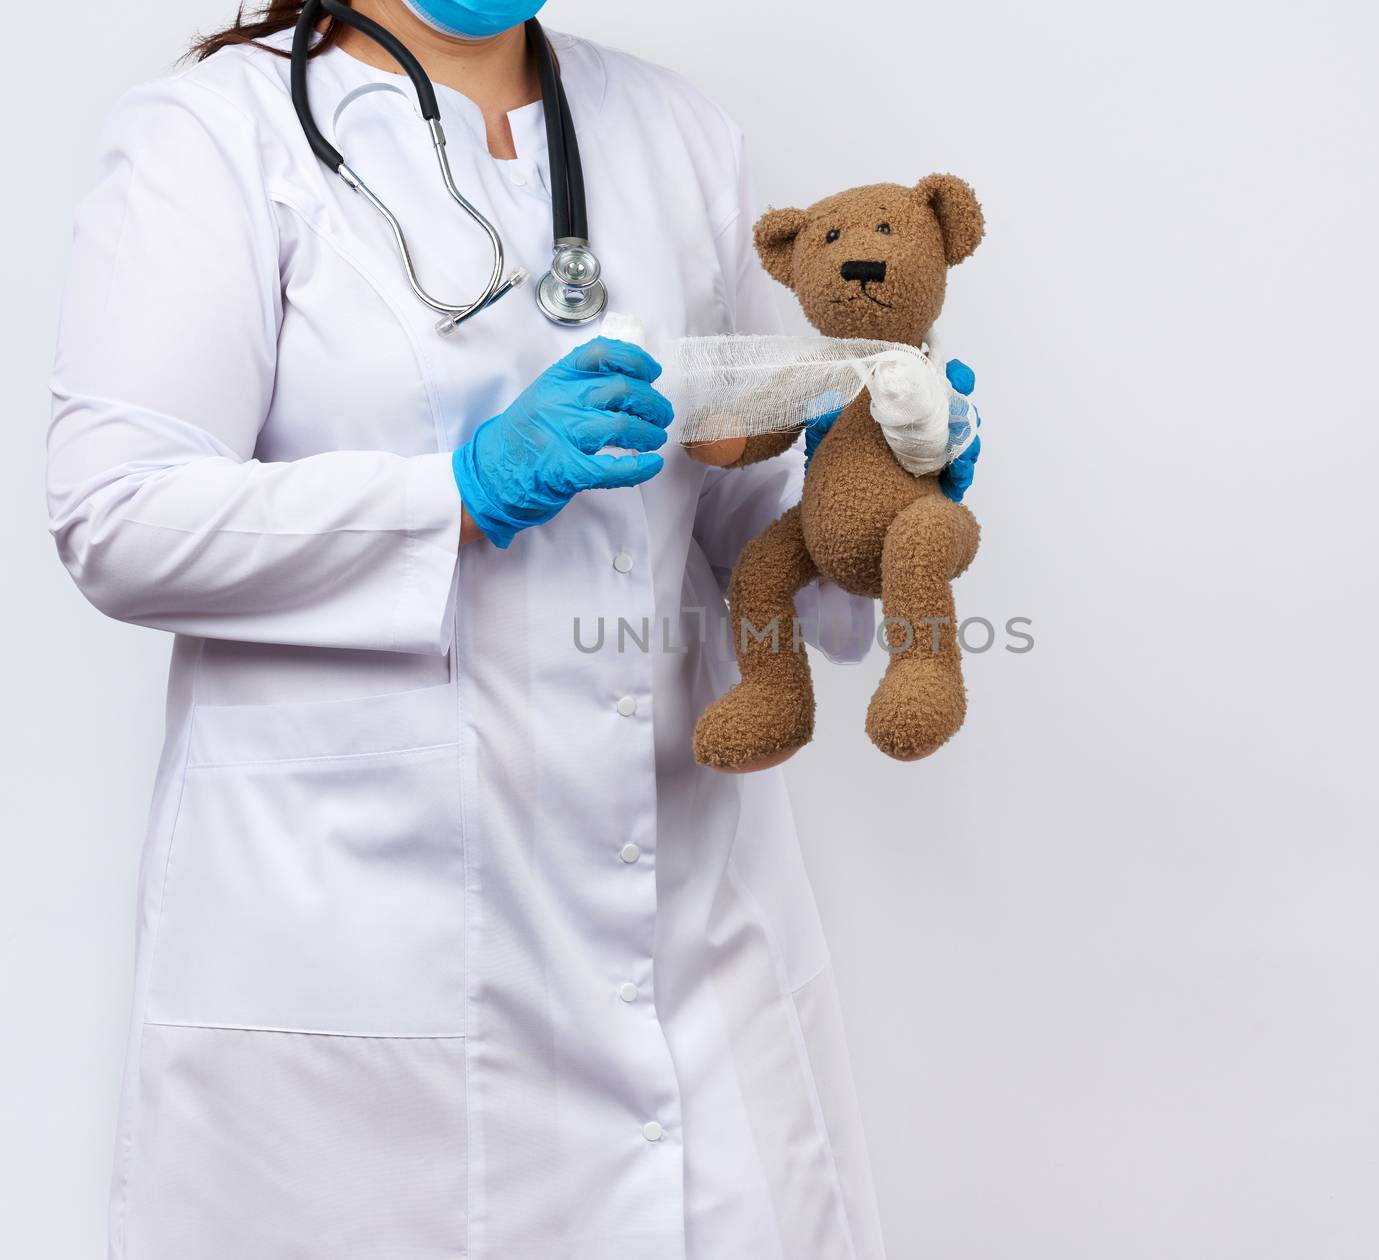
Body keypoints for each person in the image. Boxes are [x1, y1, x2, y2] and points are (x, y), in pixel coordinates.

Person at [47, 1, 978, 1255]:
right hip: (372, 928)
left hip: (688, 917)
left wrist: (865, 495)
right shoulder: (214, 134)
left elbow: (729, 502)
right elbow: (117, 516)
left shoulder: (675, 131)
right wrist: (460, 492)